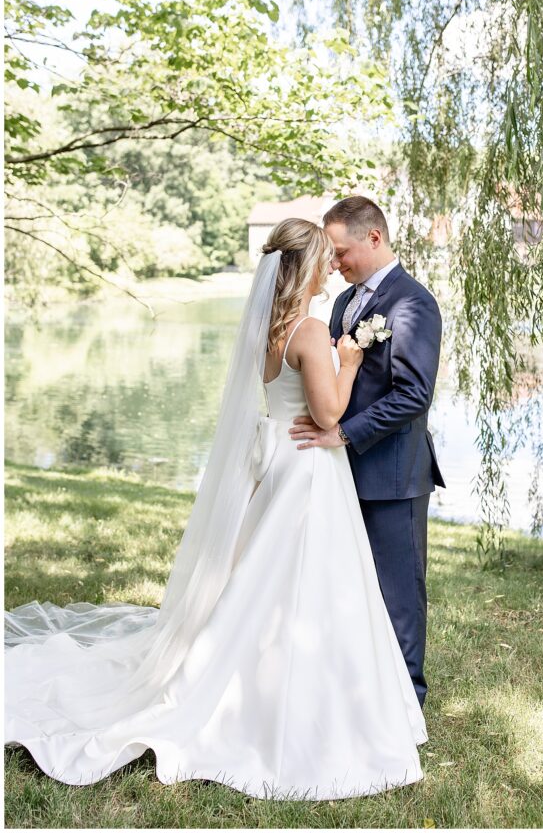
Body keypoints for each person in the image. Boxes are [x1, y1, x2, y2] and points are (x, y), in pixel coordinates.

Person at [4, 218, 427, 800]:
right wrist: (348, 362)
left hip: (277, 460)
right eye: (325, 257)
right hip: (307, 467)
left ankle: (261, 678)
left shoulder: (270, 329)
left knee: (263, 581)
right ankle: (300, 700)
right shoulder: (308, 328)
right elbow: (328, 416)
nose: (333, 265)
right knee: (307, 582)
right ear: (305, 268)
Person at [288, 197, 446, 709]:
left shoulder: (413, 303)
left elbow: (412, 395)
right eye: (331, 257)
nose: (334, 265)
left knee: (399, 593)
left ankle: (407, 703)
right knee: (347, 586)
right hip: (340, 472)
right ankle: (357, 695)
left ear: (373, 238)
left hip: (392, 473)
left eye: (340, 252)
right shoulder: (342, 304)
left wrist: (346, 433)